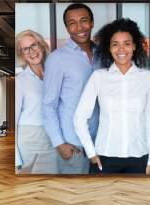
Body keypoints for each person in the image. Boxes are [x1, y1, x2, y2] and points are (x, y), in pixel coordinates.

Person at [74, 18, 150, 174]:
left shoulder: (148, 78)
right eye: (115, 44)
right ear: (109, 48)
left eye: (126, 43)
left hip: (139, 157)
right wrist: (91, 153)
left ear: (134, 46)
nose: (121, 49)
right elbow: (79, 117)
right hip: (105, 157)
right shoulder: (98, 77)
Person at [43, 3, 100, 174]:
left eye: (83, 21)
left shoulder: (103, 55)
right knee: (73, 196)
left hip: (100, 143)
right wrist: (59, 143)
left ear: (92, 23)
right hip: (73, 145)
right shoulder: (56, 59)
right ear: (67, 28)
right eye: (72, 23)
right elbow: (48, 105)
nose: (79, 27)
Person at [15, 30, 57, 174]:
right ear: (21, 54)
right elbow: (13, 121)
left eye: (34, 45)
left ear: (41, 46)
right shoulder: (20, 81)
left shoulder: (54, 75)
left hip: (52, 139)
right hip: (30, 140)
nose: (31, 52)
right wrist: (16, 160)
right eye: (25, 49)